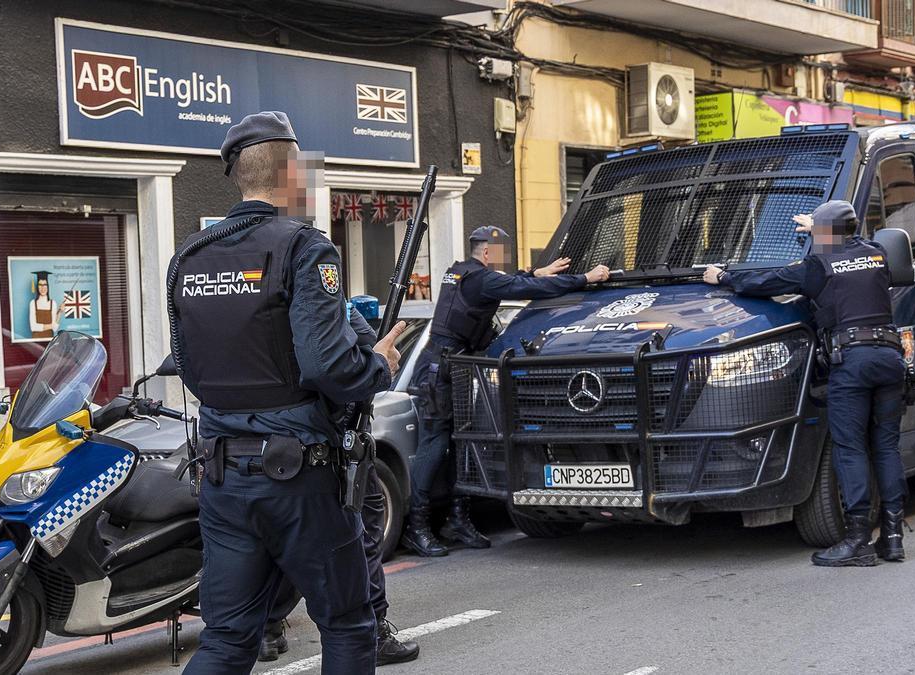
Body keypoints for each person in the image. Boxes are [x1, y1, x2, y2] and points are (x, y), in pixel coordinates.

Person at [169, 111, 404, 674]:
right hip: (302, 476)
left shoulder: (190, 256)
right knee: (348, 625)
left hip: (223, 475)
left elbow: (187, 365)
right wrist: (377, 364)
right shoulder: (304, 247)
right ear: (293, 171)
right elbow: (328, 366)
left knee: (226, 640)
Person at [704, 200, 909, 567]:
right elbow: (852, 241)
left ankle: (859, 539)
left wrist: (721, 277)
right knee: (886, 447)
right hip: (891, 359)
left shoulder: (817, 267)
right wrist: (822, 226)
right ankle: (893, 539)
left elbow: (764, 282)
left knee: (850, 448)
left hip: (853, 363)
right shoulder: (877, 255)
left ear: (825, 235)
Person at [402, 227, 610, 556]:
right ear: (487, 253)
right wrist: (586, 278)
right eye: (501, 255)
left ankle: (456, 521)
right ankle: (418, 528)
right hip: (439, 372)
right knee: (435, 445)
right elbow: (526, 288)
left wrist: (532, 273)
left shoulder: (460, 272)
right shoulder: (483, 279)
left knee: (461, 445)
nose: (504, 261)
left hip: (450, 367)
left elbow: (511, 282)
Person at [259, 311, 418, 666]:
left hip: (274, 448)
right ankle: (374, 630)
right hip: (333, 443)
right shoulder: (326, 300)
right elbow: (368, 361)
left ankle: (267, 627)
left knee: (288, 538)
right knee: (362, 534)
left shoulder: (261, 308)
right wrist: (380, 360)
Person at [28, 270, 59, 339]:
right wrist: (51, 325)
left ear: (48, 286)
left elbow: (55, 328)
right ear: (37, 287)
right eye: (40, 285)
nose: (43, 288)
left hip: (49, 341)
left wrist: (60, 312)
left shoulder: (53, 303)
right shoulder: (33, 303)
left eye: (45, 285)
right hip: (36, 341)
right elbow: (33, 327)